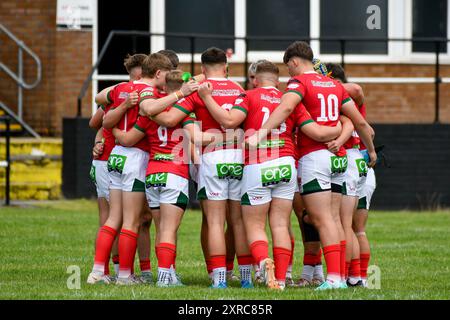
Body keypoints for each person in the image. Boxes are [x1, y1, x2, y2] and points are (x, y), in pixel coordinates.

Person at [198, 60, 343, 290]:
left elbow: (229, 121)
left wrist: (206, 98)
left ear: (255, 79)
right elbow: (314, 131)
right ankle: (283, 279)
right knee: (280, 224)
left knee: (254, 225)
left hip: (257, 163)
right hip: (286, 162)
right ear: (278, 80)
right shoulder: (290, 99)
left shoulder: (247, 96)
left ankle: (264, 263)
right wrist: (337, 130)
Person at [246, 41, 376, 290]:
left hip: (315, 157)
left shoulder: (300, 83)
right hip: (339, 158)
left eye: (288, 67)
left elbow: (286, 107)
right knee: (337, 221)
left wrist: (261, 133)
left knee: (322, 219)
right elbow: (359, 121)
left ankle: (334, 279)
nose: (288, 74)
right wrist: (370, 151)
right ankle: (339, 277)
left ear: (294, 61)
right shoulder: (334, 86)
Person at [87, 53, 198, 285]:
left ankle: (98, 271)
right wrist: (180, 93)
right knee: (131, 221)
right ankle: (125, 275)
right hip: (136, 157)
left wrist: (112, 136)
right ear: (158, 73)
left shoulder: (120, 89)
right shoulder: (153, 94)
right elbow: (152, 113)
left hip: (115, 155)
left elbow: (103, 119)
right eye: (166, 75)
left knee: (112, 218)